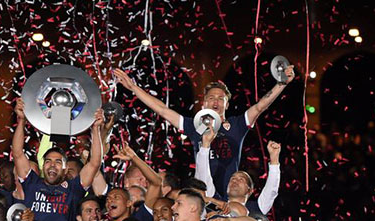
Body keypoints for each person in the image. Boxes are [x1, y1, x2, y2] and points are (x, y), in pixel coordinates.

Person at [114, 66, 295, 198]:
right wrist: (133, 88)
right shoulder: (195, 126)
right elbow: (162, 110)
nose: (216, 101)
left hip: (229, 196)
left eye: (221, 98)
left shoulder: (237, 124)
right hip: (202, 195)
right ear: (204, 104)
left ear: (227, 105)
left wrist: (282, 83)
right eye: (211, 98)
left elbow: (261, 106)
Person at [12, 98, 103, 221]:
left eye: (58, 162)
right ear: (43, 166)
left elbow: (94, 163)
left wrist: (95, 129)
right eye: (48, 161)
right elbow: (18, 153)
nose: (52, 165)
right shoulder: (32, 183)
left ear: (66, 169)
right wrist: (21, 121)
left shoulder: (73, 189)